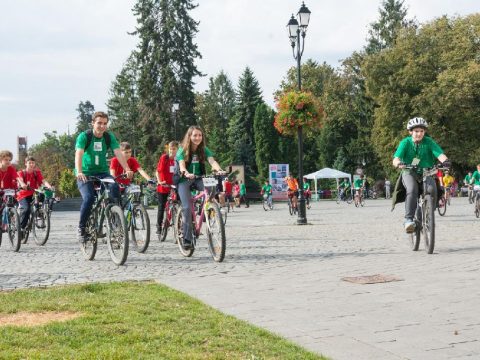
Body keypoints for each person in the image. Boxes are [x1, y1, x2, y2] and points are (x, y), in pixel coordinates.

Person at [75, 111, 133, 243]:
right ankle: (81, 227)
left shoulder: (108, 137)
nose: (102, 126)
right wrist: (79, 171)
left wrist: (127, 168)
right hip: (85, 172)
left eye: (105, 124)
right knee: (89, 197)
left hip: (102, 172)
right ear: (93, 123)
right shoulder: (85, 136)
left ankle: (115, 221)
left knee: (114, 188)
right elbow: (78, 154)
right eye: (99, 123)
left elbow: (118, 153)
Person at [392, 117, 449, 233]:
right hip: (409, 172)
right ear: (410, 132)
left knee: (432, 189)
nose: (419, 134)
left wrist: (445, 161)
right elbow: (396, 158)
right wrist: (398, 163)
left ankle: (429, 214)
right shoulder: (405, 142)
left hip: (426, 172)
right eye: (416, 131)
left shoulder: (429, 142)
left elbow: (440, 154)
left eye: (422, 131)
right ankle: (408, 220)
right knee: (412, 189)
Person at [176, 125, 224, 249]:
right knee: (186, 208)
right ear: (189, 136)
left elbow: (212, 161)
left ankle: (206, 209)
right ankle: (187, 239)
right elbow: (181, 164)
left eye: (200, 135)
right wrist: (185, 172)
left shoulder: (203, 149)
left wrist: (219, 170)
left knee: (211, 187)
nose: (198, 138)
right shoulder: (183, 149)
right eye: (195, 135)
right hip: (184, 179)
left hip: (198, 178)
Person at [16, 156, 53, 236]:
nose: (32, 164)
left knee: (42, 193)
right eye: (30, 163)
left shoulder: (36, 173)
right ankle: (21, 229)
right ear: (26, 164)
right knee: (27, 209)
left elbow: (43, 180)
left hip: (33, 193)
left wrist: (49, 186)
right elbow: (20, 179)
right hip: (23, 195)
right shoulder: (21, 173)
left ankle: (38, 212)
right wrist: (22, 184)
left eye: (33, 163)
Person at [155, 141, 178, 237]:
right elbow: (158, 171)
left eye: (174, 149)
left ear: (178, 149)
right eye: (170, 149)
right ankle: (159, 226)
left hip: (174, 186)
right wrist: (160, 181)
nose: (172, 151)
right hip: (163, 186)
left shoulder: (178, 159)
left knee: (178, 204)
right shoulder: (165, 157)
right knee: (162, 206)